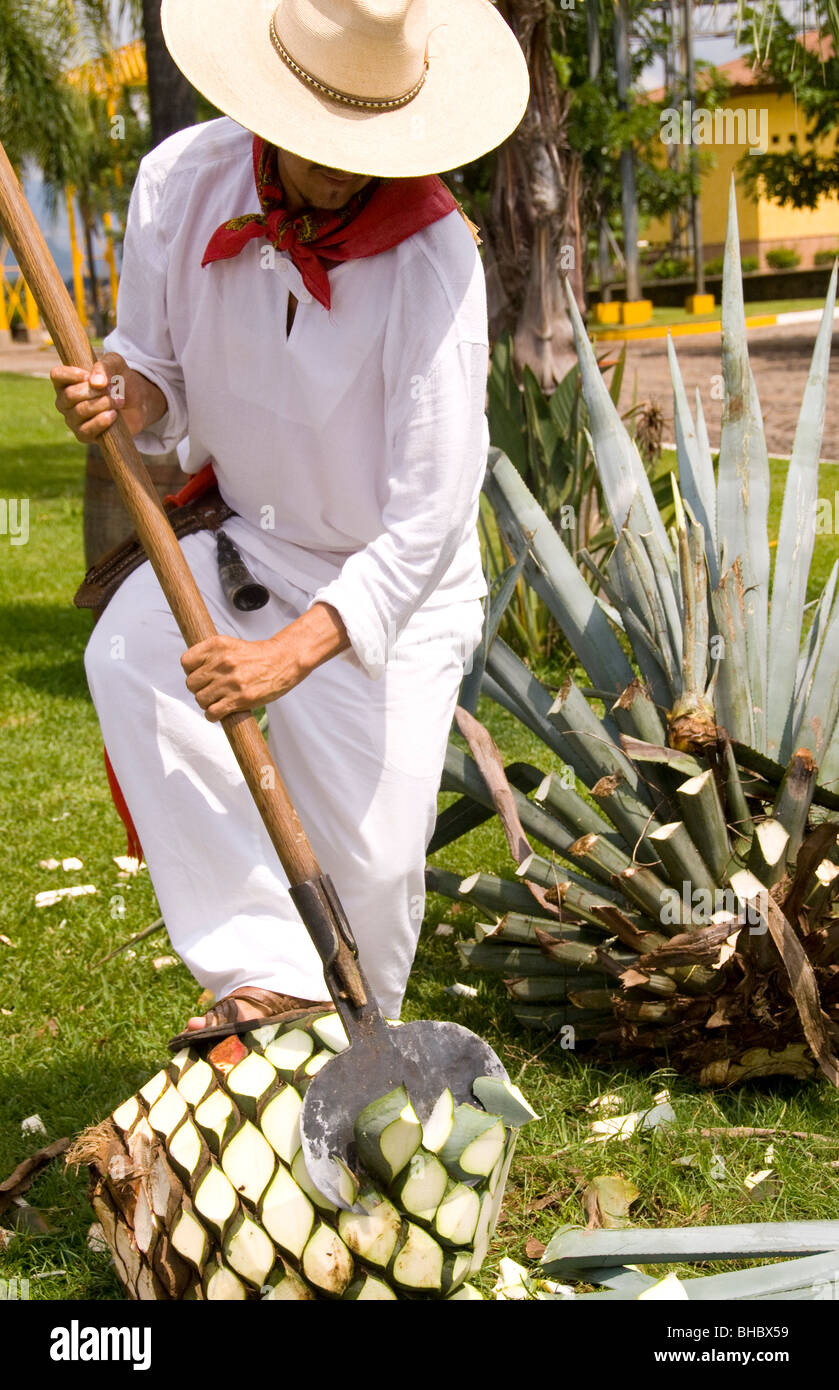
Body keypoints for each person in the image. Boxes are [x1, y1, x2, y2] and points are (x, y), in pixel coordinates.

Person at [51, 0, 528, 1044]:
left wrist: (290, 657)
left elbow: (428, 519)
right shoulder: (179, 183)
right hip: (252, 541)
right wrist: (122, 395)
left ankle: (359, 1065)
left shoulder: (436, 262)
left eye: (359, 139)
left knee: (374, 865)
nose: (333, 167)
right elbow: (159, 374)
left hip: (389, 582)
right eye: (316, 134)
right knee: (131, 656)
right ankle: (264, 977)